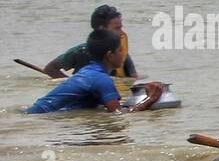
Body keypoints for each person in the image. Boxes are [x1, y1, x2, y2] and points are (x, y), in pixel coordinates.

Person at [26, 30, 162, 113]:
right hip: (42, 115)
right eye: (120, 50)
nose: (124, 54)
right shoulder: (101, 79)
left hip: (35, 112)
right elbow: (118, 114)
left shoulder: (89, 72)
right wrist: (151, 99)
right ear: (110, 55)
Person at [42, 4, 138, 79]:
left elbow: (133, 79)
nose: (122, 33)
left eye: (121, 27)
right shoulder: (80, 51)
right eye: (117, 28)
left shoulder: (119, 52)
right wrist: (72, 84)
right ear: (101, 29)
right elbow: (50, 69)